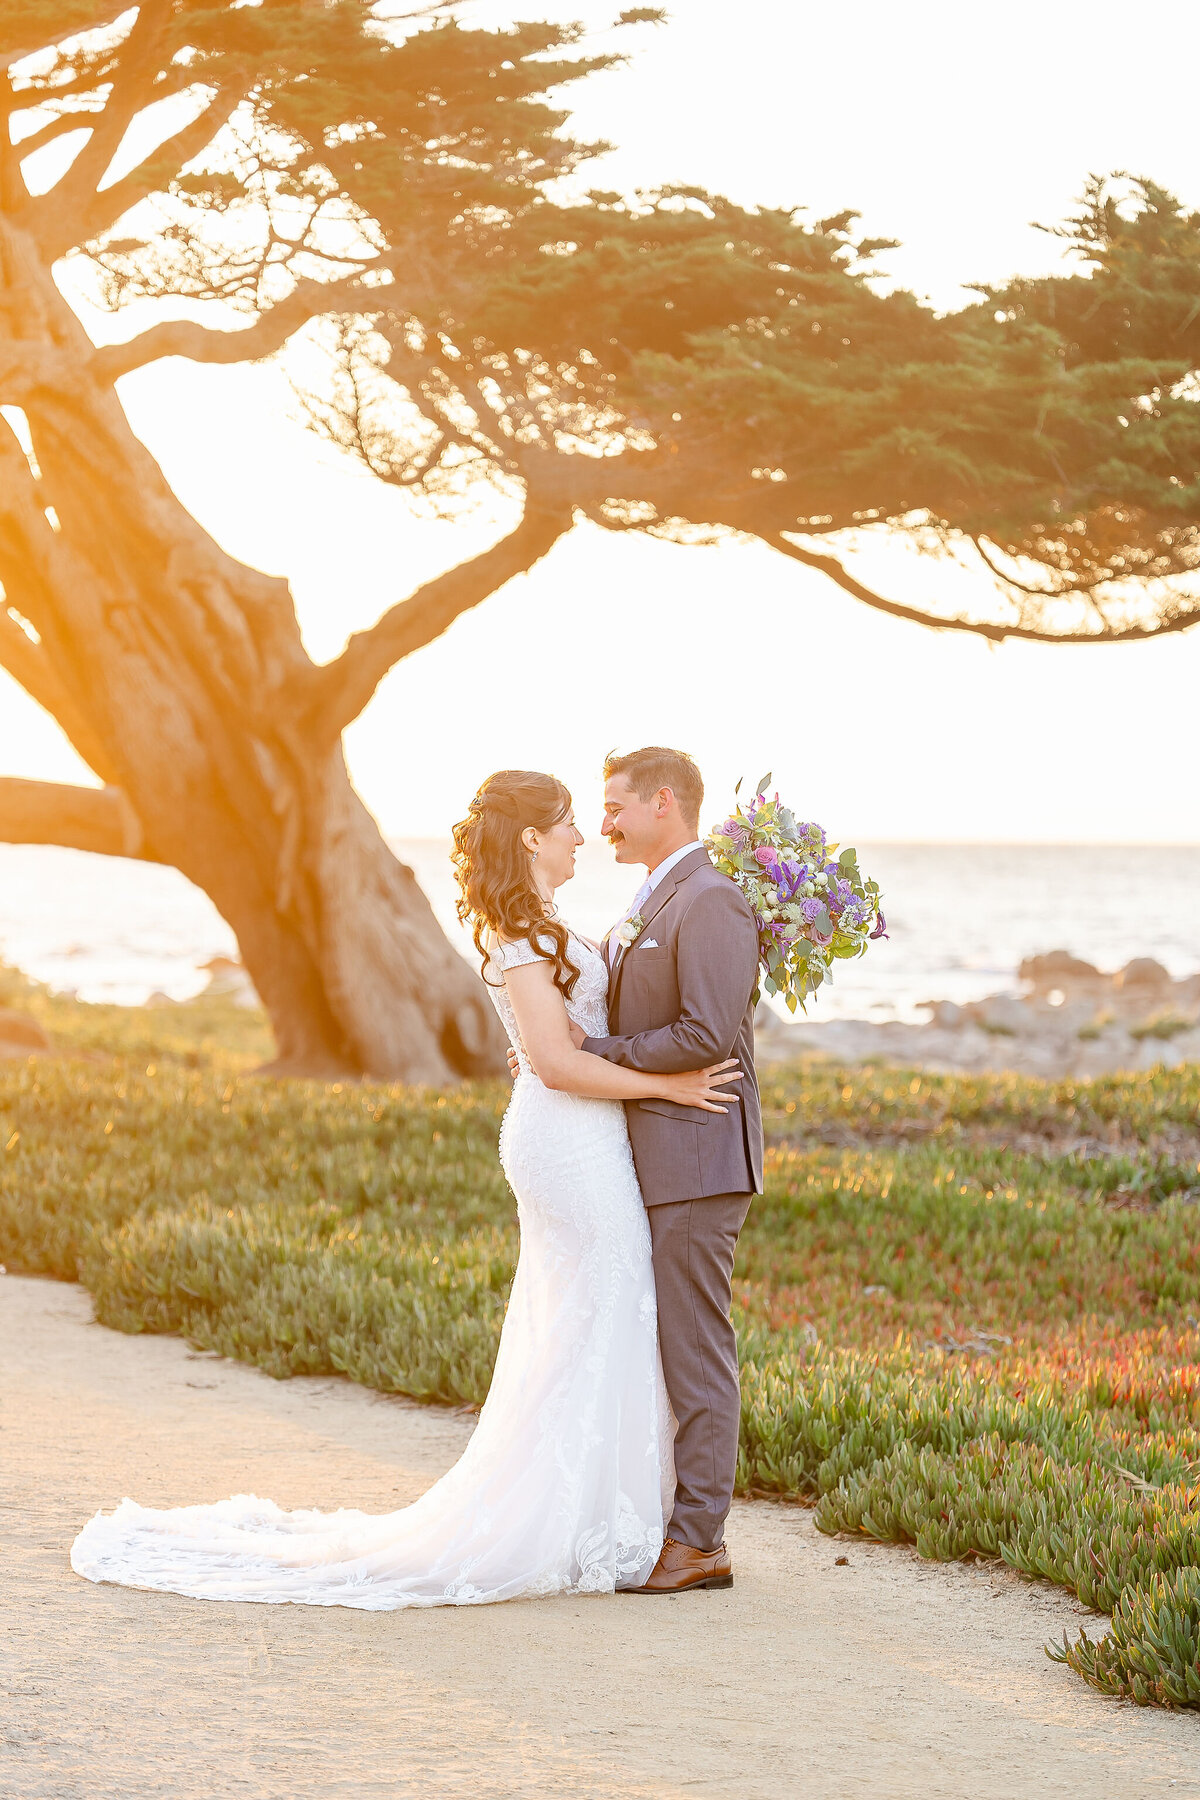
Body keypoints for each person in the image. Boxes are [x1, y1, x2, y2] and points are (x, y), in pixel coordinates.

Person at [70, 769, 741, 1609]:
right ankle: (584, 1518)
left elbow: (570, 1039)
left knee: (600, 1312)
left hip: (586, 1136)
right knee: (605, 1304)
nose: (583, 835)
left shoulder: (547, 926)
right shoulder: (516, 933)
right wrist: (667, 1086)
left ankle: (612, 1513)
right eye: (571, 821)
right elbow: (556, 1063)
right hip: (569, 1142)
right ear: (532, 837)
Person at [511, 747, 763, 1594]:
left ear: (663, 802)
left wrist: (595, 1050)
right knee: (657, 1342)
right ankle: (659, 1521)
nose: (604, 824)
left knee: (694, 1349)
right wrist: (557, 1050)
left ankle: (699, 1542)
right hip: (645, 1153)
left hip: (696, 1155)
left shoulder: (711, 898)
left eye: (615, 807)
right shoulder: (653, 897)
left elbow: (707, 1035)